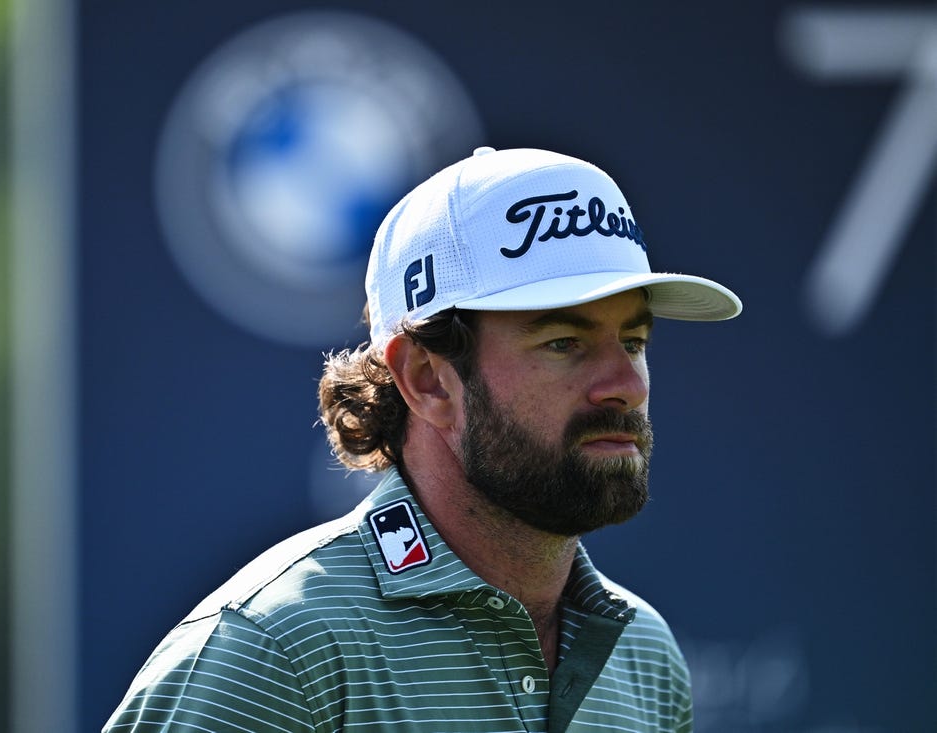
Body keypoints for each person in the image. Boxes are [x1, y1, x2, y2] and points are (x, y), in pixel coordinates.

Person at [104, 146, 741, 732]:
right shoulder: (278, 650)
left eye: (634, 342)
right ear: (429, 379)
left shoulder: (645, 659)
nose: (625, 384)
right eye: (563, 343)